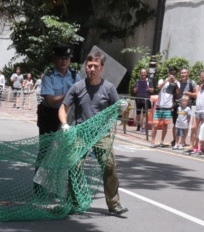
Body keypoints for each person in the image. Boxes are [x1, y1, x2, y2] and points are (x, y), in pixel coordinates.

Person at [59, 51, 127, 215]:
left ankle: (114, 204)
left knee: (109, 165)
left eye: (95, 66)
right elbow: (63, 107)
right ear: (85, 67)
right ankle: (73, 202)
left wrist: (123, 108)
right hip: (81, 132)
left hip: (101, 133)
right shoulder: (77, 87)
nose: (92, 69)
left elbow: (118, 110)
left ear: (101, 68)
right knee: (74, 165)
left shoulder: (109, 88)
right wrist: (64, 124)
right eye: (89, 66)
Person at [38, 46, 78, 136]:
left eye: (66, 58)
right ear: (55, 59)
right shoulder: (48, 76)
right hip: (50, 114)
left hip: (68, 114)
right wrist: (69, 93)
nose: (64, 61)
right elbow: (50, 100)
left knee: (65, 146)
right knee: (46, 148)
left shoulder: (74, 75)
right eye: (61, 58)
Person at [150, 69, 178, 147]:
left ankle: (162, 141)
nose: (172, 75)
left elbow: (178, 92)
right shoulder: (162, 80)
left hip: (168, 107)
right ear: (168, 73)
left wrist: (176, 83)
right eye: (171, 73)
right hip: (159, 106)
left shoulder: (176, 83)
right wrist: (167, 80)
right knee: (155, 125)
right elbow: (159, 87)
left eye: (174, 74)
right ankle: (152, 141)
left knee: (165, 125)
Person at [134, 68, 153, 132]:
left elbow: (152, 90)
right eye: (142, 73)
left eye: (144, 72)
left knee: (145, 114)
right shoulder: (137, 81)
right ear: (140, 74)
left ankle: (143, 127)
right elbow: (134, 91)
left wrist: (148, 88)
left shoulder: (149, 81)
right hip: (138, 99)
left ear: (146, 73)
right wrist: (137, 87)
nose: (143, 74)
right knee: (138, 114)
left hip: (146, 99)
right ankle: (138, 126)